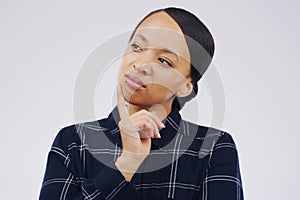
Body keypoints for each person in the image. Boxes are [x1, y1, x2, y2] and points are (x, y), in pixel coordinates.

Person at [39, 7, 244, 200]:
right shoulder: (73, 142)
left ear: (185, 86)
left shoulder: (213, 147)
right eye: (137, 47)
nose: (141, 64)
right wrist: (127, 163)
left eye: (164, 60)